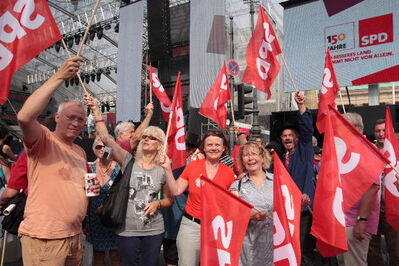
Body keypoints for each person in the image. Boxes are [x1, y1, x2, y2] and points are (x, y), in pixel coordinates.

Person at [16, 56, 99, 265]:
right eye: (70, 117)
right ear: (57, 118)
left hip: (74, 235)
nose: (76, 122)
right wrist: (60, 76)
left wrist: (88, 189)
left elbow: (79, 187)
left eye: (80, 119)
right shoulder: (44, 139)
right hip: (45, 238)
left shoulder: (79, 151)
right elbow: (24, 117)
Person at [85, 95, 173, 266]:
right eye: (144, 136)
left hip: (153, 229)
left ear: (160, 144)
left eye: (152, 137)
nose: (146, 138)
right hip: (127, 230)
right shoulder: (127, 161)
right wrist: (96, 111)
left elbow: (170, 199)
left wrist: (158, 204)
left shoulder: (163, 168)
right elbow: (106, 138)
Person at [163, 130, 235, 266]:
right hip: (191, 227)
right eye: (210, 145)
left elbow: (233, 203)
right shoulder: (193, 167)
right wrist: (167, 169)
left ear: (224, 148)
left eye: (217, 145)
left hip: (216, 229)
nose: (214, 148)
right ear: (204, 147)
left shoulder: (229, 173)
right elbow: (176, 190)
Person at [340, 112, 381, 266]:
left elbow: (372, 188)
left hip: (355, 221)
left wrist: (361, 220)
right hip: (343, 220)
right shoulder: (346, 150)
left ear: (352, 128)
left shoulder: (367, 150)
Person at [280, 91, 316, 265]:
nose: (287, 138)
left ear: (297, 138)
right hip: (286, 211)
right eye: (284, 136)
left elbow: (307, 130)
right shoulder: (279, 160)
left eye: (290, 135)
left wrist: (301, 106)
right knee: (288, 248)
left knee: (303, 250)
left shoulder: (304, 151)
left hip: (304, 209)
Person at [230, 141, 273, 265]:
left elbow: (289, 207)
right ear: (242, 160)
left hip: (274, 246)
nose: (250, 158)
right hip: (248, 248)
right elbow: (232, 214)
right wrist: (249, 215)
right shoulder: (236, 186)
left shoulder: (278, 181)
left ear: (262, 157)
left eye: (254, 154)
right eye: (246, 155)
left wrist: (301, 200)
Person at [367, 119, 399, 266]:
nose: (380, 134)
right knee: (372, 250)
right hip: (372, 208)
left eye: (383, 131)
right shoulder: (368, 151)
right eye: (377, 131)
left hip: (392, 207)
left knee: (396, 249)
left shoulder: (396, 152)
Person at [88, 137, 121, 266]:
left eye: (105, 146)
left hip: (113, 217)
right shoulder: (89, 167)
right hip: (95, 218)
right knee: (98, 254)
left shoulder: (119, 168)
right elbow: (90, 194)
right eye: (98, 147)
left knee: (115, 254)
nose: (102, 149)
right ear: (94, 149)